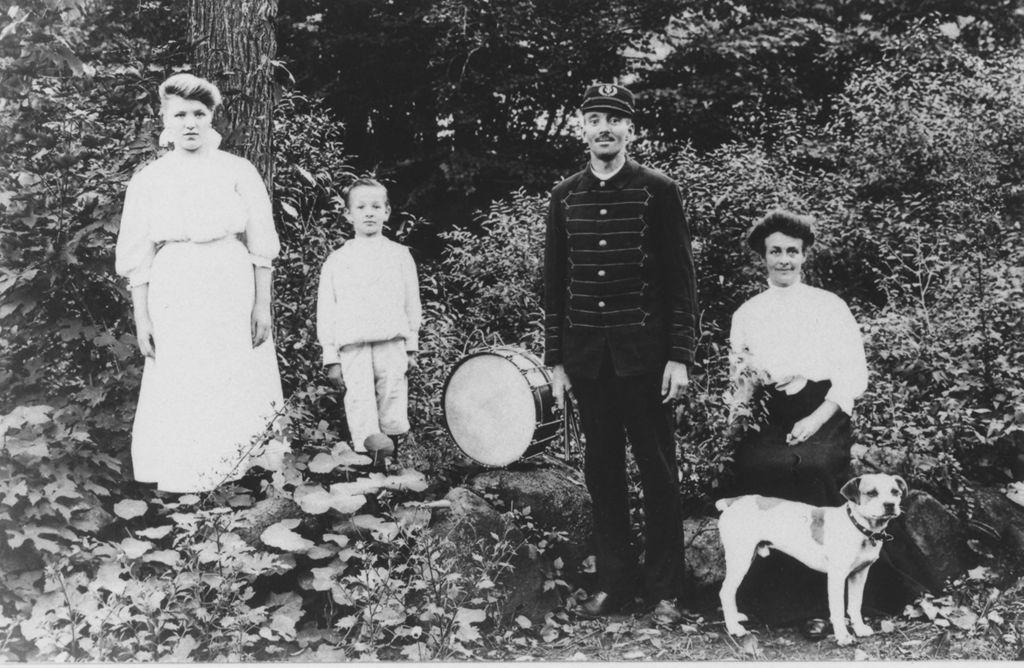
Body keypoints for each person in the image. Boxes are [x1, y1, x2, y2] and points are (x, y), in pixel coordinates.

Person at [726, 209, 928, 638]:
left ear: (804, 256)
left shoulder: (828, 306)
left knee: (813, 466)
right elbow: (741, 377)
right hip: (770, 413)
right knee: (759, 466)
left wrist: (816, 417)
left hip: (825, 410)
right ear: (762, 257)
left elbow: (853, 373)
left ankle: (824, 606)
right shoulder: (747, 312)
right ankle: (775, 604)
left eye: (792, 252)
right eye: (775, 251)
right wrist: (733, 421)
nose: (784, 259)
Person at [543, 83, 698, 624]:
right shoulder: (564, 196)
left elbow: (682, 283)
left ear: (631, 129)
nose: (604, 127)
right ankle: (614, 583)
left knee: (658, 474)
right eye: (594, 118)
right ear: (581, 128)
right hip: (589, 363)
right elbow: (554, 284)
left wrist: (679, 356)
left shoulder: (659, 190)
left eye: (615, 119)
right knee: (602, 473)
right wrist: (557, 361)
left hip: (647, 362)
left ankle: (665, 593)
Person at [115, 73, 284, 494]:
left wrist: (262, 306)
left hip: (228, 279)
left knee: (233, 371)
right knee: (184, 376)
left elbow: (261, 245)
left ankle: (241, 478)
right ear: (165, 120)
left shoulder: (237, 170)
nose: (190, 123)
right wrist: (143, 318)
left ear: (211, 118)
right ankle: (186, 486)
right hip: (175, 286)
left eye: (199, 113)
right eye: (181, 114)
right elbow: (139, 256)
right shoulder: (150, 179)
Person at [316, 177, 422, 458]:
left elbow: (412, 303)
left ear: (387, 212)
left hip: (391, 342)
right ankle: (368, 466)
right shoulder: (337, 261)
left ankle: (392, 463)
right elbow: (327, 311)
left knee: (392, 397)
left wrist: (412, 345)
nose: (369, 212)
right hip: (353, 346)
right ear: (349, 214)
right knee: (360, 401)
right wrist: (331, 357)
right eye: (361, 207)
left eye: (376, 206)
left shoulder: (399, 256)